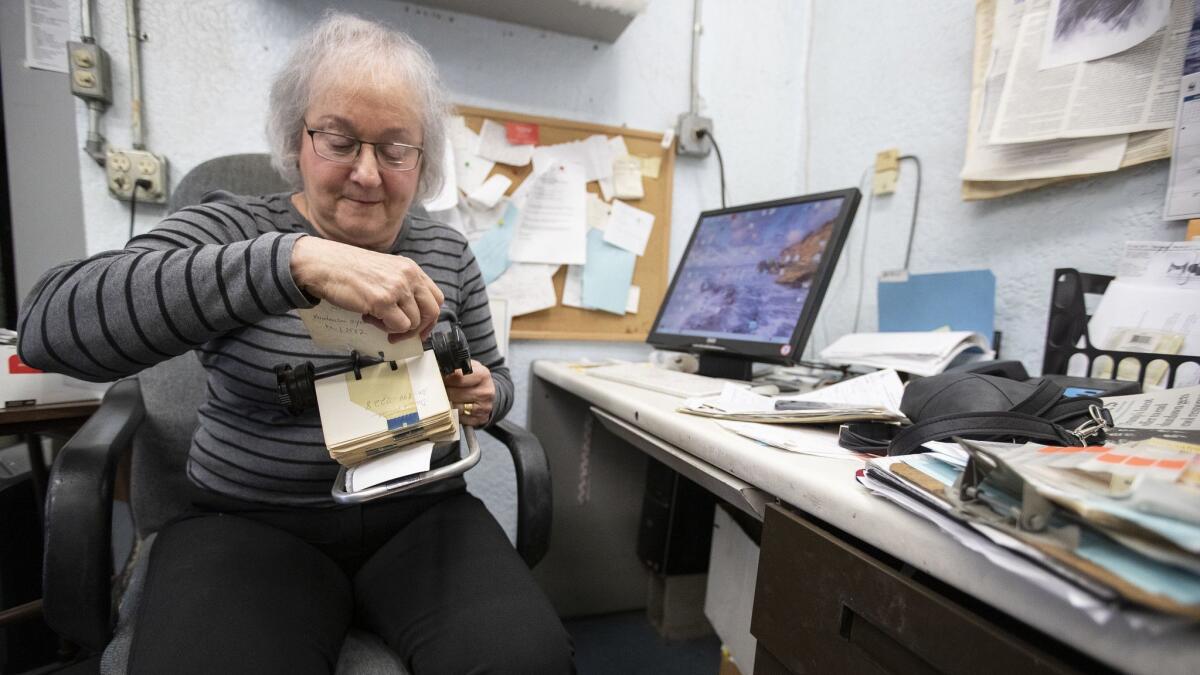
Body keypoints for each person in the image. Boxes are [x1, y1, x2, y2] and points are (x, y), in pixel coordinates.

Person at [18, 12, 573, 675]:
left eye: (396, 148)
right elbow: (50, 326)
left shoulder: (448, 252)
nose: (368, 173)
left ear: (422, 161)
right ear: (296, 138)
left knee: (526, 663)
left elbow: (496, 377)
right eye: (340, 139)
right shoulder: (233, 228)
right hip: (253, 521)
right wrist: (292, 263)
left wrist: (486, 393)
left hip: (421, 515)